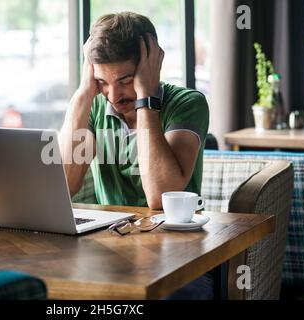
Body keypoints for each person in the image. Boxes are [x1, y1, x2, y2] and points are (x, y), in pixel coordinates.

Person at [59, 12, 211, 299]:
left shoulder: (187, 104)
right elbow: (64, 184)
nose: (114, 96)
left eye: (125, 80)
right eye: (102, 81)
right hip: (110, 251)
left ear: (150, 67)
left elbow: (160, 198)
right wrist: (82, 94)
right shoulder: (92, 107)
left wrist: (146, 100)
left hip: (180, 258)